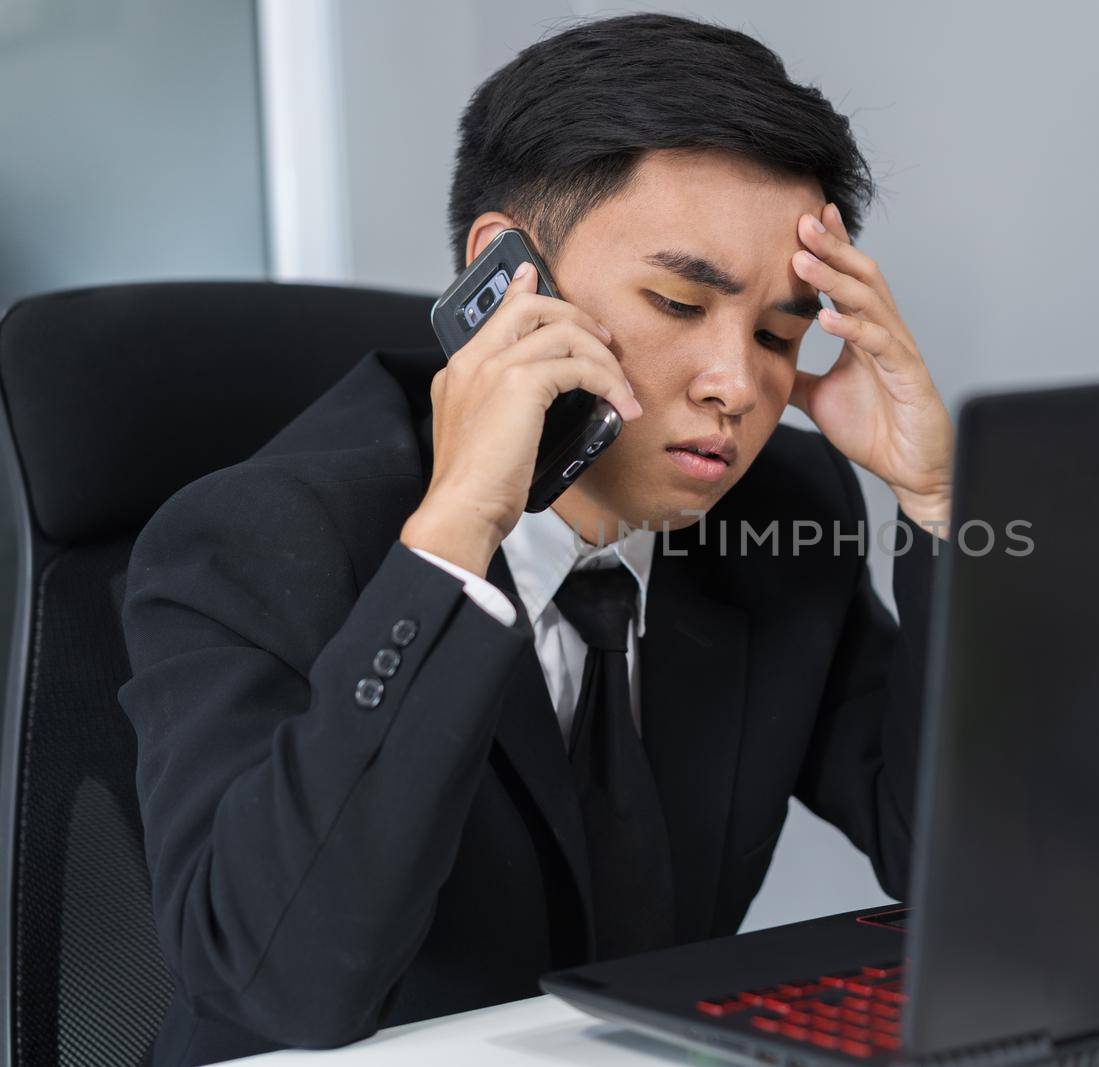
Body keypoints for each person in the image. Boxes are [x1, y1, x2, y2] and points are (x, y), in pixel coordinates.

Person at [118, 12, 953, 1066]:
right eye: (676, 300)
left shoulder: (779, 515)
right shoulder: (248, 540)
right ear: (507, 275)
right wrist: (456, 537)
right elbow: (284, 989)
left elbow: (960, 863)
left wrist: (938, 509)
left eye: (780, 333)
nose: (738, 386)